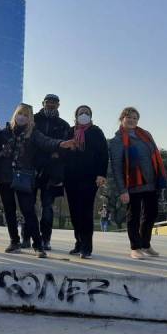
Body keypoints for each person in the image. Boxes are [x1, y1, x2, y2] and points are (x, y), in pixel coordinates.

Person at [0, 104, 73, 258]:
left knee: (28, 211)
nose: (22, 117)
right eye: (20, 114)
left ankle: (38, 245)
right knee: (9, 210)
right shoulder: (4, 133)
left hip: (24, 176)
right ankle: (14, 241)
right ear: (15, 115)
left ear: (30, 118)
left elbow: (47, 142)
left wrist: (60, 144)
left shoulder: (34, 133)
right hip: (4, 177)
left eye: (25, 115)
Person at [110, 107, 167, 260]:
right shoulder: (117, 140)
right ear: (122, 118)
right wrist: (122, 190)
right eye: (129, 117)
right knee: (133, 216)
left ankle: (145, 244)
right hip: (132, 184)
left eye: (135, 118)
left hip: (151, 182)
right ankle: (135, 247)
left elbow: (155, 155)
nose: (132, 120)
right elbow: (116, 167)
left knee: (151, 214)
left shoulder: (146, 135)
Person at [22, 94, 70, 250]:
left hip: (53, 172)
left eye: (54, 102)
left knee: (48, 208)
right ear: (42, 103)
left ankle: (46, 238)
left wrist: (57, 152)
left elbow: (66, 149)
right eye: (48, 101)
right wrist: (52, 149)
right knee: (28, 206)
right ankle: (26, 237)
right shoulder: (33, 120)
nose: (51, 104)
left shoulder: (64, 125)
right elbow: (30, 142)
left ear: (58, 105)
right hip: (32, 168)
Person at [63, 105, 108, 259]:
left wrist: (101, 174)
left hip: (89, 178)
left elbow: (103, 154)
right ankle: (79, 242)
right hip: (71, 178)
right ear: (75, 115)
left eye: (86, 113)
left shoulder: (96, 132)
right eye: (81, 113)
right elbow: (62, 151)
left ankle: (87, 247)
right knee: (74, 212)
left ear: (91, 115)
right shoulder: (70, 131)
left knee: (86, 212)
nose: (84, 115)